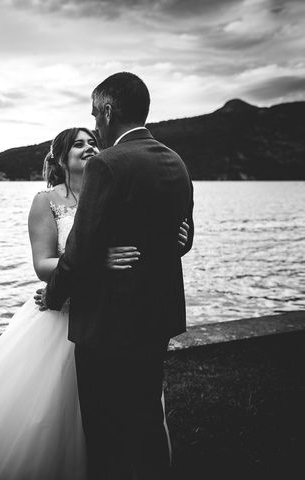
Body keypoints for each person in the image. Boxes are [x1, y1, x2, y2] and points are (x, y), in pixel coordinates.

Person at [0, 127, 190, 479]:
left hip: (110, 316)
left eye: (92, 142)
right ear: (61, 157)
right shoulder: (46, 201)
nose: (89, 148)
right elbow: (43, 265)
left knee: (115, 410)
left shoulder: (112, 191)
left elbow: (137, 245)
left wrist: (176, 237)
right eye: (79, 144)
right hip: (63, 316)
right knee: (53, 413)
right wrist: (97, 262)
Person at [39, 72, 194, 480]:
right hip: (155, 316)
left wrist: (53, 297)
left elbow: (80, 249)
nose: (94, 121)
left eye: (95, 112)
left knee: (104, 428)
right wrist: (180, 242)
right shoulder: (174, 159)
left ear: (108, 111)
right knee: (145, 416)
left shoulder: (106, 165)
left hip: (108, 322)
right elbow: (182, 234)